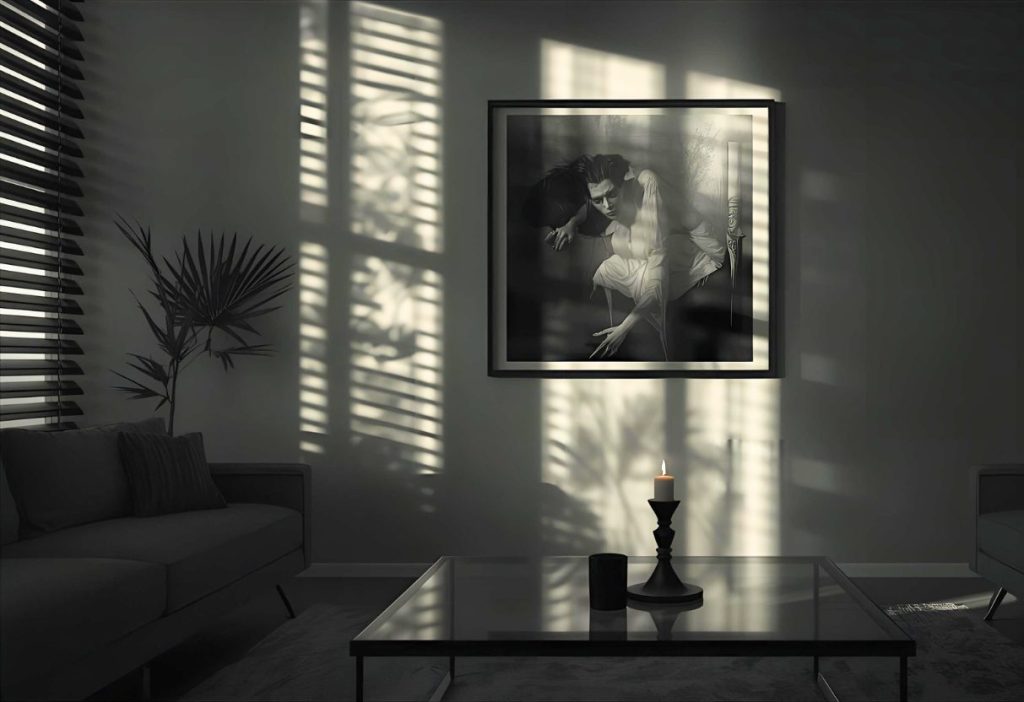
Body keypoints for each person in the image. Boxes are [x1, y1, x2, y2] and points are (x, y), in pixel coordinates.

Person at [535, 154, 726, 360]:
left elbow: (656, 283)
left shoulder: (648, 186)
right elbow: (590, 199)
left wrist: (623, 330)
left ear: (623, 184)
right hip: (669, 236)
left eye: (611, 195)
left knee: (647, 272)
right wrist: (571, 224)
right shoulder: (611, 196)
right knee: (610, 267)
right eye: (598, 201)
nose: (607, 206)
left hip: (706, 247)